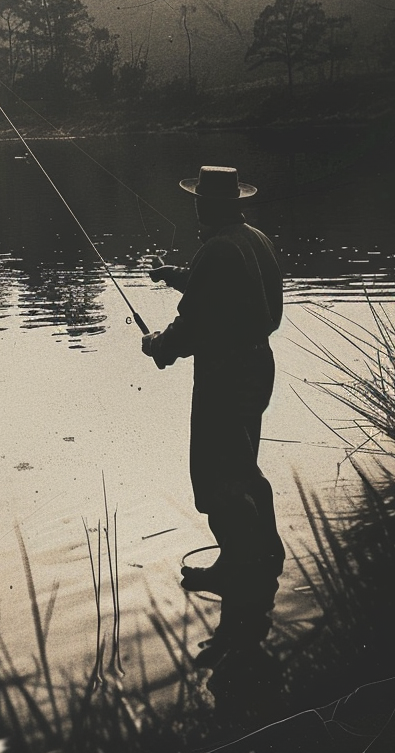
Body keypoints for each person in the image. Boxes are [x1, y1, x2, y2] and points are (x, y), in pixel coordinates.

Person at [142, 165, 285, 665]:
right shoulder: (254, 239)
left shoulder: (218, 248)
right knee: (243, 462)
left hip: (224, 373)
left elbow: (194, 323)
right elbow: (230, 292)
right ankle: (266, 554)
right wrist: (174, 276)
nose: (197, 206)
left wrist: (158, 348)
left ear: (208, 205)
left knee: (217, 472)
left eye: (200, 199)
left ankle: (235, 569)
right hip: (257, 365)